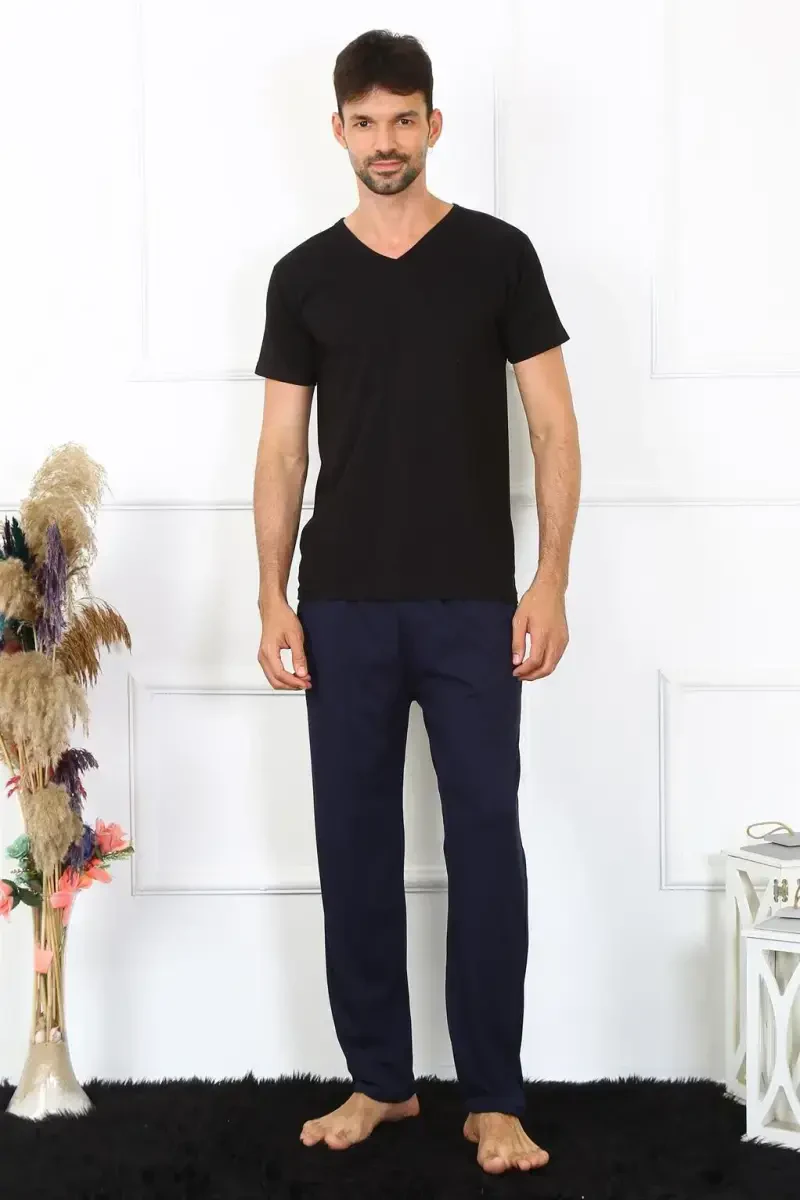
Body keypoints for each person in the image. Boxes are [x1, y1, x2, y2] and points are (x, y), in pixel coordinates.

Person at [252, 28, 580, 1177]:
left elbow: (552, 425)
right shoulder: (302, 276)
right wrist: (270, 597)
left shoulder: (497, 257)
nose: (384, 141)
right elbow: (281, 452)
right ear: (337, 130)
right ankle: (380, 1083)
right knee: (353, 845)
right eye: (365, 122)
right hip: (340, 604)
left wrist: (549, 578)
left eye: (403, 119)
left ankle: (493, 1098)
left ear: (433, 124)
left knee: (485, 839)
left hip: (471, 608)